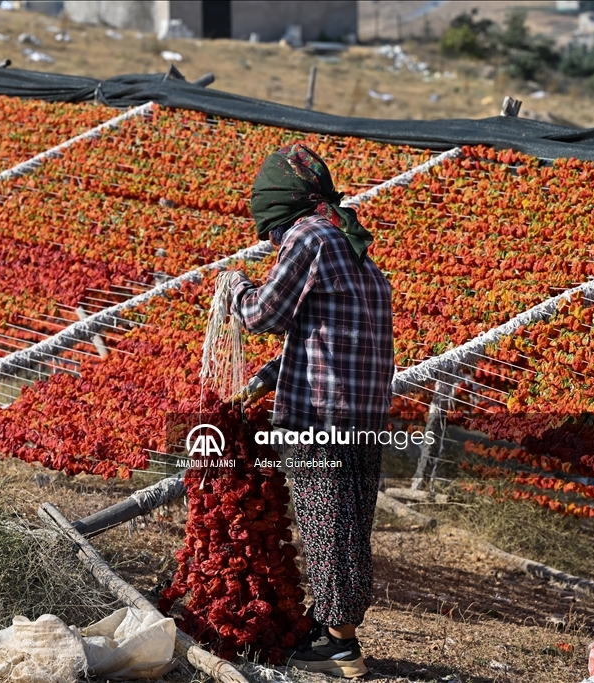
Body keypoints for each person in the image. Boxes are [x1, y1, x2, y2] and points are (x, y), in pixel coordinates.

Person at [228, 143, 395, 679]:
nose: (272, 239)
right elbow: (332, 337)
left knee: (325, 522)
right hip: (364, 418)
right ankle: (335, 631)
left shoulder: (308, 236)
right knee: (349, 524)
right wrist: (269, 377)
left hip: (320, 421)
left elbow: (263, 314)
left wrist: (234, 289)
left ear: (279, 205)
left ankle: (340, 648)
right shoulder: (353, 247)